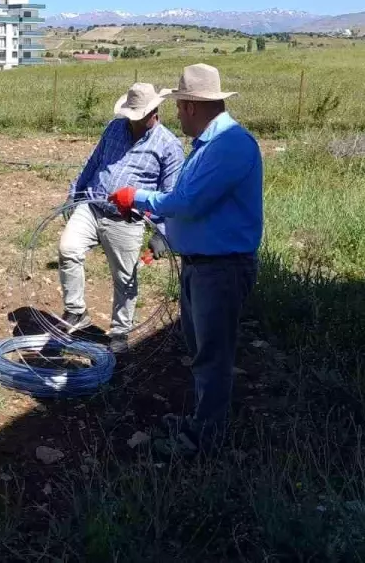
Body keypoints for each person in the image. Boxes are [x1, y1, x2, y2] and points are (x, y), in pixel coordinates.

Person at [109, 63, 263, 449]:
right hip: (203, 265)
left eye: (179, 106)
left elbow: (188, 202)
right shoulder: (210, 147)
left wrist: (137, 197)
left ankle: (205, 438)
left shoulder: (230, 146)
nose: (176, 114)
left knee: (212, 356)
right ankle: (201, 420)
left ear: (193, 106)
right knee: (201, 351)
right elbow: (186, 203)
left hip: (221, 268)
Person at [60, 83, 184, 353]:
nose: (133, 120)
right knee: (68, 249)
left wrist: (161, 232)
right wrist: (76, 193)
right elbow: (94, 162)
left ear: (154, 112)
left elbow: (170, 194)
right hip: (92, 205)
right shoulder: (114, 128)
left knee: (125, 278)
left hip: (126, 219)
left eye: (139, 115)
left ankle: (120, 331)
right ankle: (76, 312)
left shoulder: (169, 146)